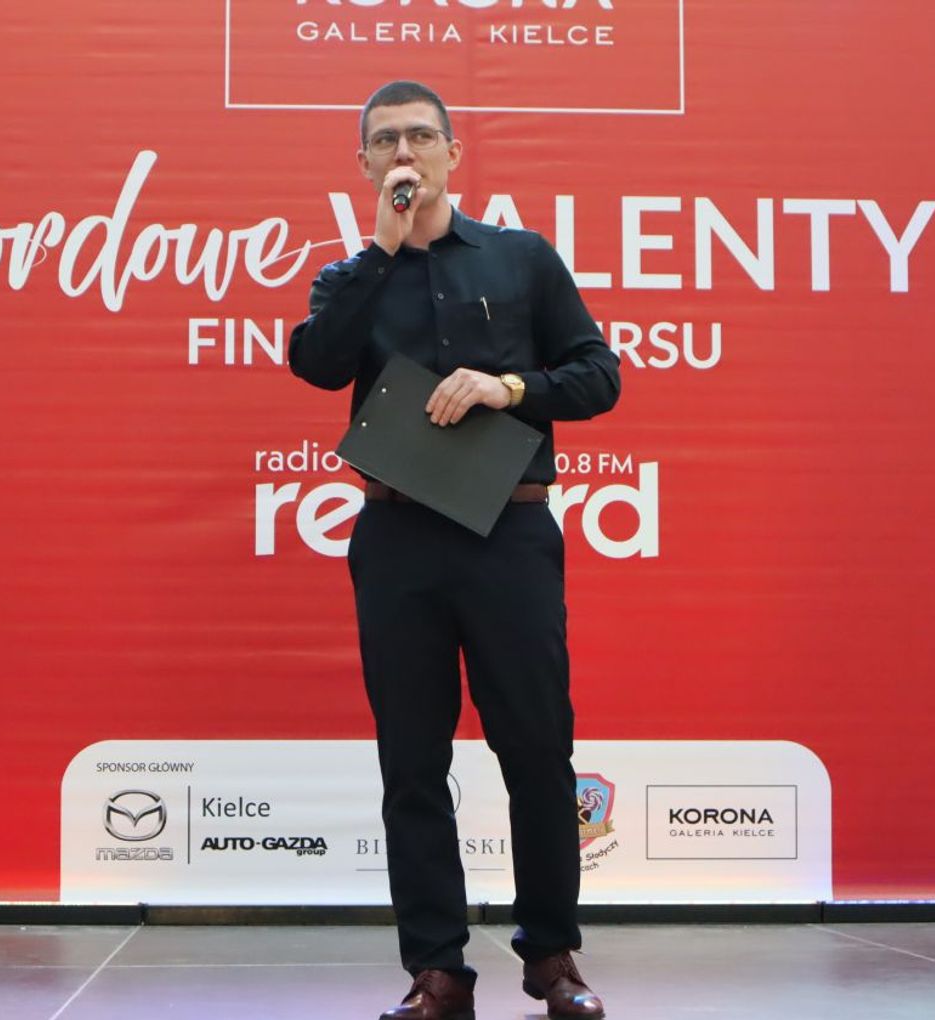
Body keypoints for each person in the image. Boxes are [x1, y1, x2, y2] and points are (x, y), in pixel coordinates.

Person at [289, 80, 619, 1020]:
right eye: (386, 141)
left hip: (508, 533)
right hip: (397, 537)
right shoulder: (349, 275)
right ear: (364, 164)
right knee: (411, 759)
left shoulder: (522, 258)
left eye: (421, 138)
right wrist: (381, 252)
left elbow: (598, 376)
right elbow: (315, 364)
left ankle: (552, 957)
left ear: (452, 153)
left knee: (537, 747)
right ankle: (436, 971)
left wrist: (507, 388)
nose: (406, 154)